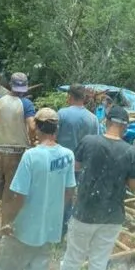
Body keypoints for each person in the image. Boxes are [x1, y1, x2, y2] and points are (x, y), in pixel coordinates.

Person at [0, 108, 76, 270]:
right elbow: (69, 192)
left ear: (36, 127)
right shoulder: (68, 156)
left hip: (23, 229)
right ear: (56, 129)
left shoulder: (31, 156)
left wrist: (9, 222)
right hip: (48, 230)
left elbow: (19, 195)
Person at [60, 104, 135, 270]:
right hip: (112, 216)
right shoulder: (131, 152)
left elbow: (76, 166)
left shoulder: (89, 141)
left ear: (106, 121)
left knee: (73, 259)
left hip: (84, 211)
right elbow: (134, 185)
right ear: (125, 127)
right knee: (98, 262)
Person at [0, 72, 36, 231]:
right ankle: (4, 225)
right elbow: (32, 127)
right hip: (17, 153)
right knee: (10, 190)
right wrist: (32, 140)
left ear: (11, 85)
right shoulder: (26, 104)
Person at [57, 84, 99, 236]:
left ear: (70, 96)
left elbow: (52, 137)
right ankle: (66, 230)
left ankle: (54, 229)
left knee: (56, 197)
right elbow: (95, 144)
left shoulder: (62, 114)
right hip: (81, 167)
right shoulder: (93, 119)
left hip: (60, 165)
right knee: (72, 197)